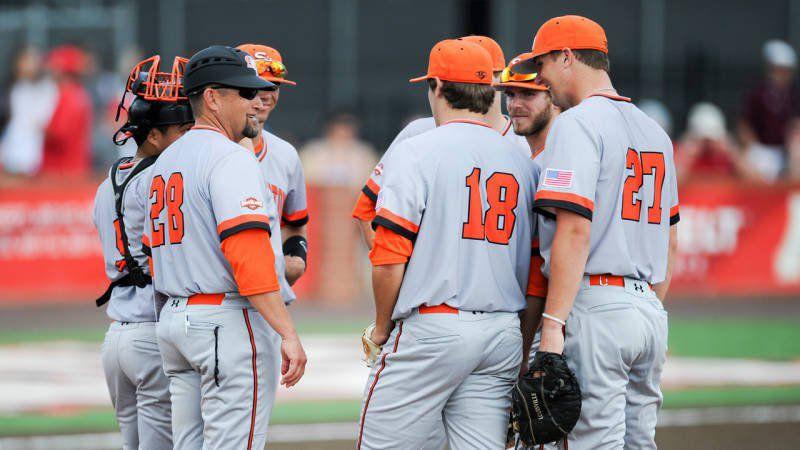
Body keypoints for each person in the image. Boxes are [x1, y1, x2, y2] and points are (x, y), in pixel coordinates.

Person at [357, 38, 541, 449]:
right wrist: (523, 343)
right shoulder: (522, 161)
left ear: (437, 86)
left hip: (434, 327)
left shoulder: (417, 150)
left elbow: (389, 257)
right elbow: (536, 273)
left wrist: (383, 327)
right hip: (502, 333)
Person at [513, 15, 678, 449]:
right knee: (639, 443)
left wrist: (553, 326)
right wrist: (648, 308)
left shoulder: (577, 123)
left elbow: (573, 230)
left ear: (567, 57)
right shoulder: (655, 132)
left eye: (543, 64)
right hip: (648, 311)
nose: (541, 78)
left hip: (595, 307)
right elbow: (670, 238)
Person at [148, 45, 307, 450]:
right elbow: (248, 256)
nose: (256, 101)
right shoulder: (231, 157)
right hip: (226, 322)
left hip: (175, 321)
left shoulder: (165, 161)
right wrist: (286, 331)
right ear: (212, 98)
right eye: (245, 92)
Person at [92, 54, 194, 450]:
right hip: (152, 331)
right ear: (153, 136)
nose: (190, 137)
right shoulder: (162, 178)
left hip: (116, 336)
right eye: (182, 130)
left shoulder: (107, 183)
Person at [351, 35, 528, 249]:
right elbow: (366, 209)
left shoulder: (525, 146)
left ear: (498, 79)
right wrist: (398, 266)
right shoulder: (418, 133)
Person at [237, 44, 309, 292]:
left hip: (266, 294)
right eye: (256, 85)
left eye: (273, 85)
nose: (266, 94)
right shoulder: (206, 149)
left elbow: (295, 222)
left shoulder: (286, 155)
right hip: (217, 293)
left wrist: (296, 260)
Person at [739, 39, 800, 181]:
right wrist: (752, 148)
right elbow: (745, 125)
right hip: (761, 149)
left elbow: (796, 123)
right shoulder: (757, 94)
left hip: (785, 151)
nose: (783, 75)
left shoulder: (794, 94)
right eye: (779, 70)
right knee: (746, 162)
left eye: (786, 71)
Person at [0, 46, 57, 176]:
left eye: (32, 61)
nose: (28, 66)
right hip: (11, 153)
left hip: (35, 157)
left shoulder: (47, 89)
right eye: (24, 61)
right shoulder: (14, 88)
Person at [41, 45, 93, 178]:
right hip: (76, 167)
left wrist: (40, 129)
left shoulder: (67, 95)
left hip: (61, 170)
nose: (52, 71)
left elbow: (58, 134)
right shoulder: (80, 93)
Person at [677, 102, 762, 183]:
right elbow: (672, 181)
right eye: (703, 140)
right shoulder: (683, 154)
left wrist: (732, 152)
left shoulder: (727, 155)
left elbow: (758, 182)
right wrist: (688, 154)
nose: (708, 145)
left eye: (711, 140)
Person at [300, 110, 377, 187]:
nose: (343, 130)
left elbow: (374, 183)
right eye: (340, 125)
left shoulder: (365, 153)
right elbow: (303, 182)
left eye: (348, 125)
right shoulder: (312, 151)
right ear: (329, 127)